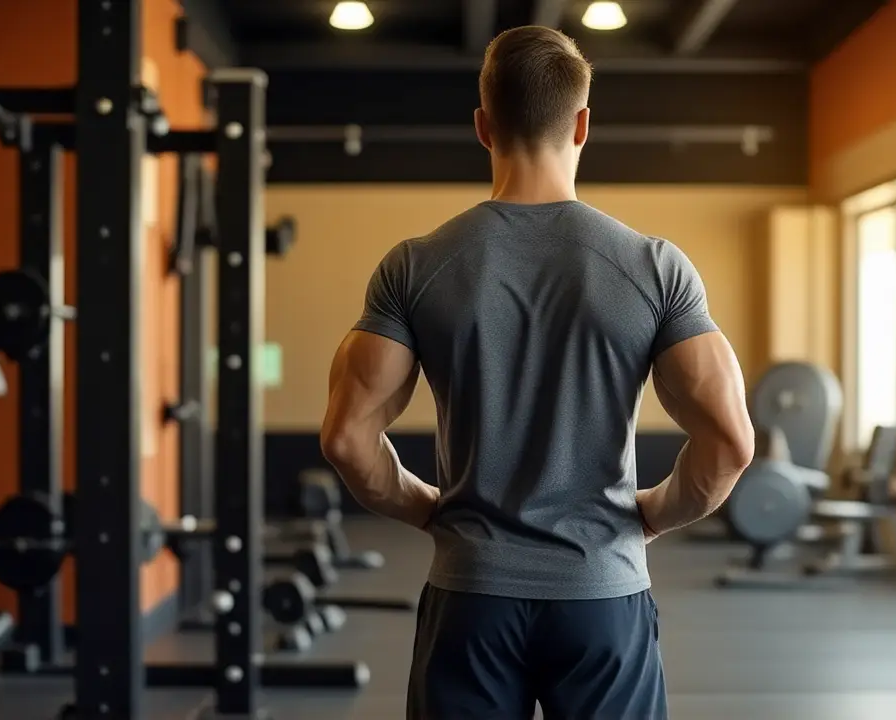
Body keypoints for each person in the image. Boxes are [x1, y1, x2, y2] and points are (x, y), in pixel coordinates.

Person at [320, 25, 755, 720]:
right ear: (583, 124)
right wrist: (650, 516)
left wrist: (427, 508)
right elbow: (730, 443)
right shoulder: (654, 268)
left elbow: (347, 438)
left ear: (483, 126)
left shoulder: (415, 266)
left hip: (471, 596)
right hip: (603, 599)